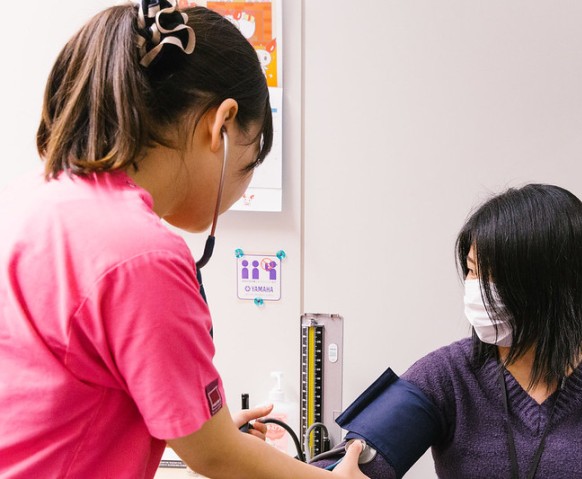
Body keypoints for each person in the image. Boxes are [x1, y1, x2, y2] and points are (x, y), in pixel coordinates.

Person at [0, 1, 366, 478]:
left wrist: (204, 423)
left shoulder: (24, 199)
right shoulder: (142, 253)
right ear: (222, 125)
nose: (241, 187)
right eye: (248, 161)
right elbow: (214, 456)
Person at [311, 184, 582, 478]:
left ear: (553, 287)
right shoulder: (445, 376)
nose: (478, 288)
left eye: (495, 276)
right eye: (471, 270)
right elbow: (345, 467)